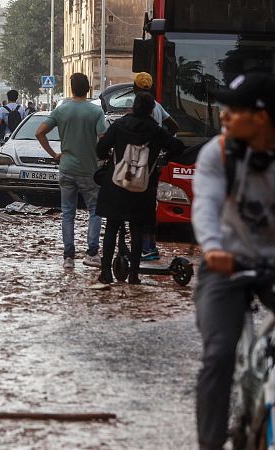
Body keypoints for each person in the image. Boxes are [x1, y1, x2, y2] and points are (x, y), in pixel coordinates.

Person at [192, 73, 275, 450]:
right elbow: (205, 206)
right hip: (226, 264)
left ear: (260, 117)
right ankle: (209, 444)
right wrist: (212, 248)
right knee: (220, 353)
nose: (224, 116)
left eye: (234, 109)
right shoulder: (218, 152)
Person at [94, 92, 185, 285]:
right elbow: (178, 146)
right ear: (152, 110)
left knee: (111, 227)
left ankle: (106, 273)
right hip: (142, 189)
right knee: (137, 229)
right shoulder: (156, 131)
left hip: (116, 185)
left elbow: (100, 149)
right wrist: (160, 159)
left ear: (133, 106)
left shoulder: (119, 126)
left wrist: (113, 155)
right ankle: (134, 276)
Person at [35, 73, 108, 269]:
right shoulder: (96, 112)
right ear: (88, 89)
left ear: (71, 89)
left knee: (68, 212)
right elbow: (104, 137)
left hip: (65, 167)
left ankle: (68, 257)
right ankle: (92, 253)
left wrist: (54, 154)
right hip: (89, 169)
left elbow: (39, 132)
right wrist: (102, 156)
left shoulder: (61, 109)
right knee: (94, 210)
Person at [131, 72, 180, 262]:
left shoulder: (142, 108)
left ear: (135, 88)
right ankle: (148, 246)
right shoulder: (157, 106)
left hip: (139, 165)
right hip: (153, 165)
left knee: (139, 207)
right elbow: (174, 126)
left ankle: (145, 247)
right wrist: (163, 149)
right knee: (149, 206)